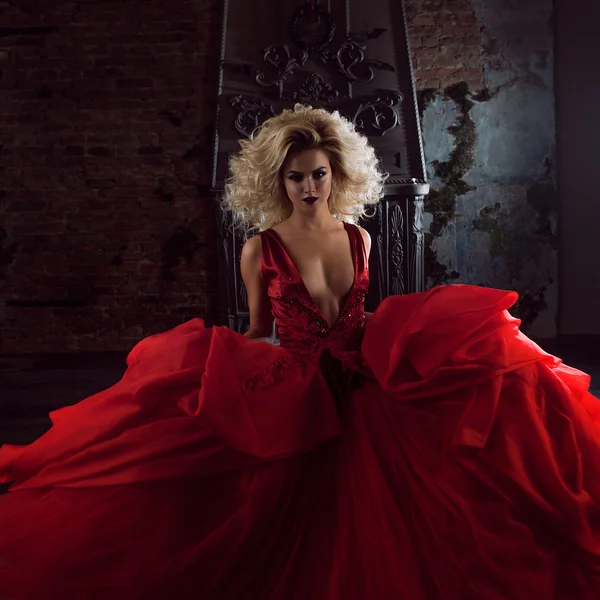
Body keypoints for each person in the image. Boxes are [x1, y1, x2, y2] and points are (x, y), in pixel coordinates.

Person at [1, 104, 599, 600]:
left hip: (366, 381)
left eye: (318, 174)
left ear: (336, 173)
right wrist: (230, 381)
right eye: (295, 178)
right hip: (300, 382)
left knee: (491, 388)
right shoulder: (260, 248)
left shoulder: (360, 235)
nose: (309, 187)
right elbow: (261, 327)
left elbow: (363, 313)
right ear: (276, 182)